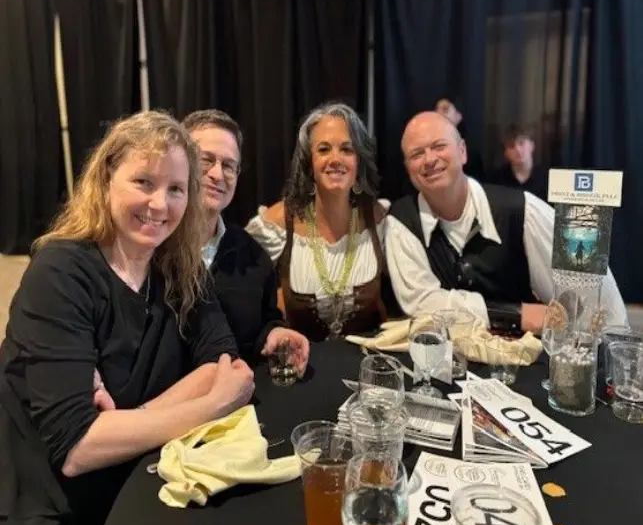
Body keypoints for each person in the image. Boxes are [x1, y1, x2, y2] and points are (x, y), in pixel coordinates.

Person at [0, 111, 255, 525]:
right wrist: (211, 406)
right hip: (47, 503)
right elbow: (77, 449)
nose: (160, 204)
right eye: (144, 182)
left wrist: (125, 423)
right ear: (105, 180)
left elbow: (224, 364)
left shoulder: (181, 268)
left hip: (133, 473)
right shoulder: (60, 272)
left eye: (176, 189)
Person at [385, 111, 627, 335]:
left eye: (439, 146)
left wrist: (610, 354)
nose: (429, 159)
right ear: (408, 168)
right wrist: (517, 314)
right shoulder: (401, 222)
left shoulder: (523, 209)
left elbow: (594, 291)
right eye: (417, 154)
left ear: (462, 151)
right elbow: (423, 304)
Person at [246, 102, 388, 341]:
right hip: (303, 369)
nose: (335, 159)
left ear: (359, 162)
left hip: (365, 368)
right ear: (309, 165)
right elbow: (242, 293)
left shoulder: (378, 218)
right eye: (323, 150)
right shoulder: (278, 224)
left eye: (347, 149)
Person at [183, 109, 309, 374]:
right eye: (205, 160)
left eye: (229, 165)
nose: (217, 174)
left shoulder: (253, 256)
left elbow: (264, 323)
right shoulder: (148, 249)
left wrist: (275, 335)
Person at [487, 123, 548, 201]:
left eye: (521, 143)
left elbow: (563, 212)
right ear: (506, 153)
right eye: (511, 146)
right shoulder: (496, 179)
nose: (518, 150)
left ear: (532, 145)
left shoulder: (550, 178)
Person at [434, 95, 485, 181]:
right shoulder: (427, 144)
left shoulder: (471, 151)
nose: (438, 114)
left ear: (459, 116)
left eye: (445, 109)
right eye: (436, 109)